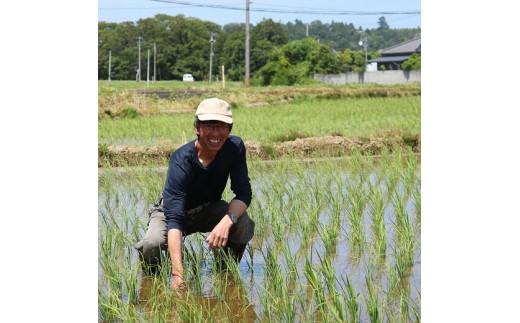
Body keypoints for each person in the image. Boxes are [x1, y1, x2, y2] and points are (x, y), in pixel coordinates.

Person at [135, 97, 255, 289]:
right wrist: (178, 277)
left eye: (221, 126)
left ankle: (226, 273)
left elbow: (243, 193)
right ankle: (150, 280)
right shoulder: (181, 160)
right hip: (172, 212)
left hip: (208, 208)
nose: (216, 133)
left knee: (241, 223)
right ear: (197, 128)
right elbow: (174, 219)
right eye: (209, 126)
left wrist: (226, 221)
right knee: (152, 243)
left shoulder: (235, 147)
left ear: (229, 129)